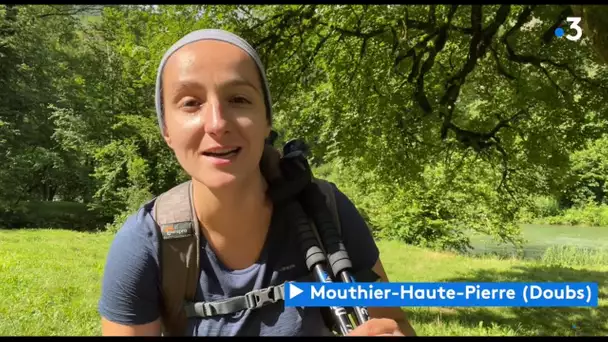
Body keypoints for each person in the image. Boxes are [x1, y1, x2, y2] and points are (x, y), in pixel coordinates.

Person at [97, 28, 416, 337]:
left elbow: (394, 322)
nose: (217, 123)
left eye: (238, 99)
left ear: (267, 121)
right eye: (191, 103)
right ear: (166, 129)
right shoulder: (144, 244)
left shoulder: (325, 209)